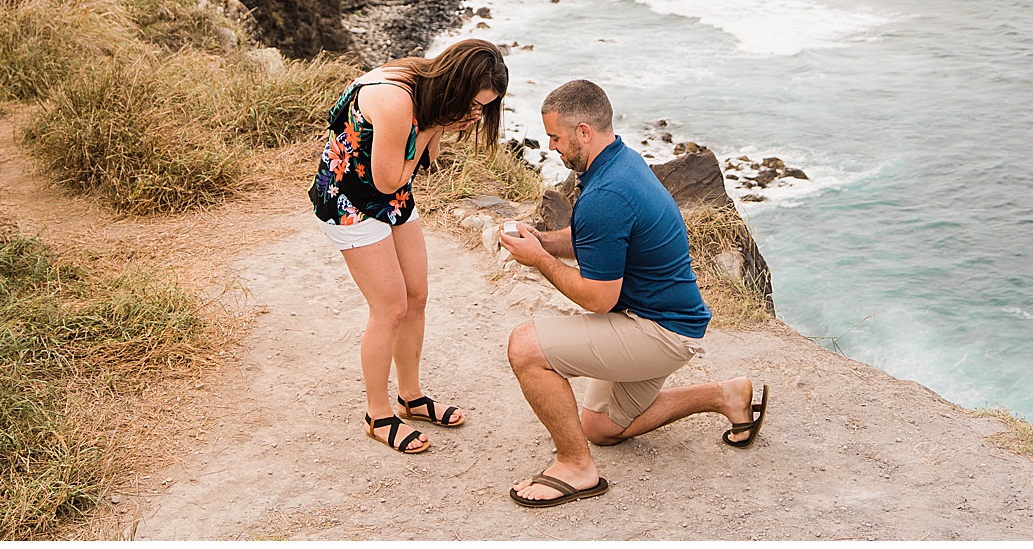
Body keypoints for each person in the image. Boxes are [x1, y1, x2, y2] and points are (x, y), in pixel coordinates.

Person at [499, 78, 768, 507]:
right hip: (665, 322)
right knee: (601, 427)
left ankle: (575, 467)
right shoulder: (621, 161)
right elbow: (598, 237)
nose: (552, 146)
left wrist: (538, 261)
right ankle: (724, 395)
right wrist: (544, 241)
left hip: (657, 332)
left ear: (583, 131)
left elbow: (598, 299)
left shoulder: (606, 192)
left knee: (526, 347)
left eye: (556, 137)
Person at [309, 38, 509, 455]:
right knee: (390, 307)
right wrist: (437, 125)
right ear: (455, 85)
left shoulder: (430, 90)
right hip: (349, 200)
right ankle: (378, 415)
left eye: (483, 107)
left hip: (390, 194)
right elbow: (388, 179)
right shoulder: (398, 100)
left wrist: (442, 125)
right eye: (474, 104)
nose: (476, 114)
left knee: (416, 295)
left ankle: (410, 397)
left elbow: (427, 160)